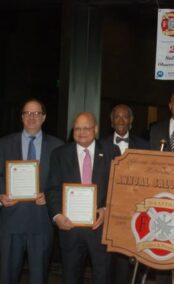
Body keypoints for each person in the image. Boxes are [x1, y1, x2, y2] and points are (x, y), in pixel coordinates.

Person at [46, 112, 119, 284]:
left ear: (96, 129)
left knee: (103, 278)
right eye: (77, 128)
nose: (81, 132)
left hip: (100, 229)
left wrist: (107, 210)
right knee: (71, 278)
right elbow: (52, 189)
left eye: (86, 128)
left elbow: (118, 187)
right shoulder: (59, 154)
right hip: (70, 228)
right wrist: (57, 216)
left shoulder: (111, 151)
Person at [0, 98, 63, 284]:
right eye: (27, 113)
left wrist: (51, 198)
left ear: (44, 117)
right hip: (10, 222)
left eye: (36, 113)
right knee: (6, 277)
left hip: (41, 222)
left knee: (39, 278)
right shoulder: (3, 144)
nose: (31, 117)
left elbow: (63, 181)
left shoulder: (58, 147)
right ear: (21, 117)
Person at [101, 104, 149, 284]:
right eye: (117, 117)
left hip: (136, 213)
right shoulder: (100, 145)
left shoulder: (145, 146)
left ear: (131, 121)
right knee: (108, 265)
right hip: (108, 213)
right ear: (111, 122)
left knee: (131, 262)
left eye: (125, 117)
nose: (121, 121)